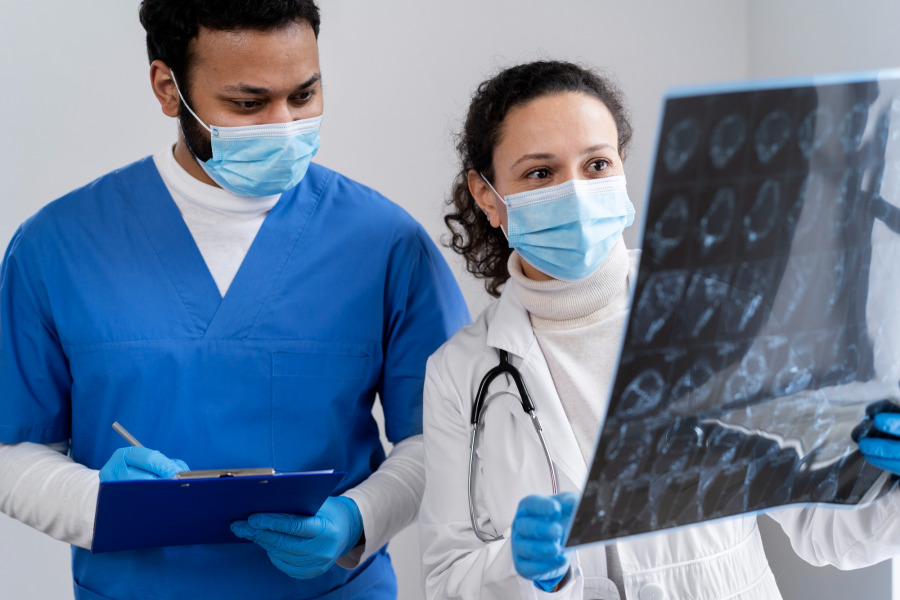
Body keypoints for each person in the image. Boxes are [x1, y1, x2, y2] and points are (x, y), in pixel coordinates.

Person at [0, 2, 469, 599]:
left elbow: (445, 437)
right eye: (248, 104)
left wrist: (357, 520)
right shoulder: (57, 246)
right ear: (169, 89)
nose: (284, 124)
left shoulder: (386, 244)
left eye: (304, 96)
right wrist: (94, 501)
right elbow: (12, 446)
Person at [419, 59, 900, 599]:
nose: (575, 192)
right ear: (487, 196)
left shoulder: (722, 315)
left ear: (621, 168)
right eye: (540, 173)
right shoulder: (458, 373)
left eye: (596, 164)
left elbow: (825, 529)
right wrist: (518, 566)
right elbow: (447, 579)